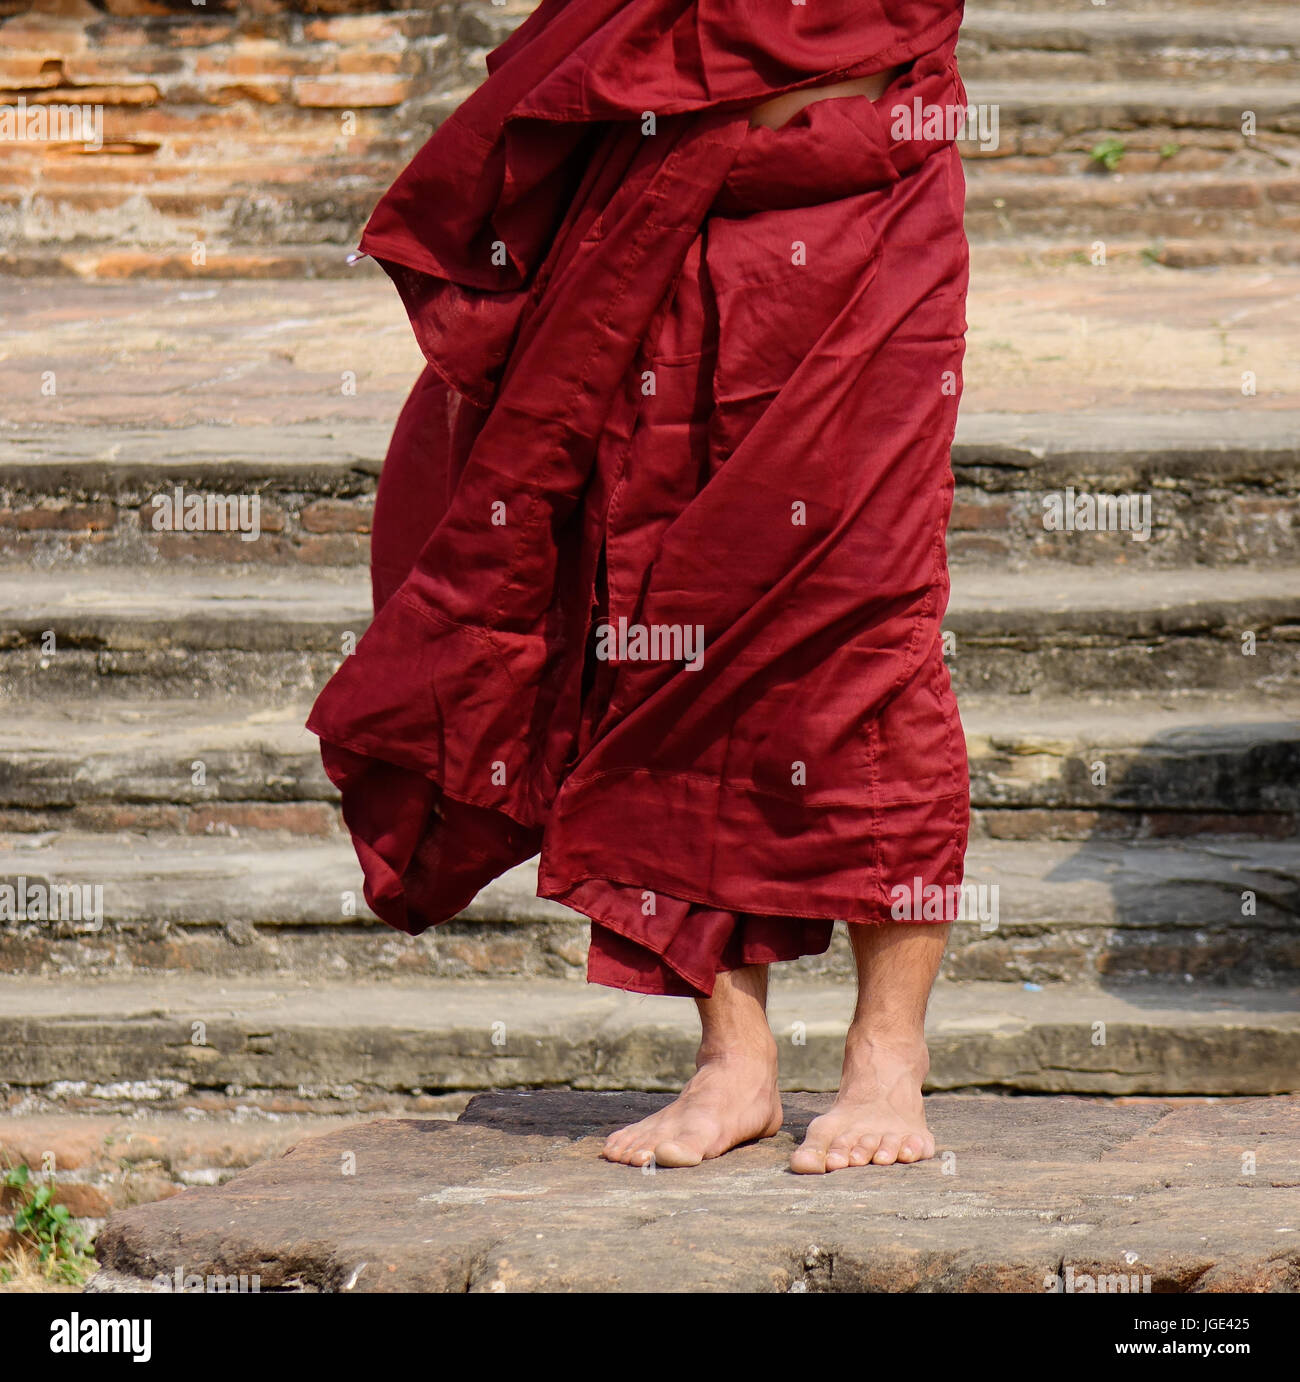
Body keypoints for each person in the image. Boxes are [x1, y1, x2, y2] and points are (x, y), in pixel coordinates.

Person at [308, 0, 971, 1174]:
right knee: (655, 614)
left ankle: (886, 1051)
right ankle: (734, 1056)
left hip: (866, 207)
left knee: (866, 623)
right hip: (662, 207)